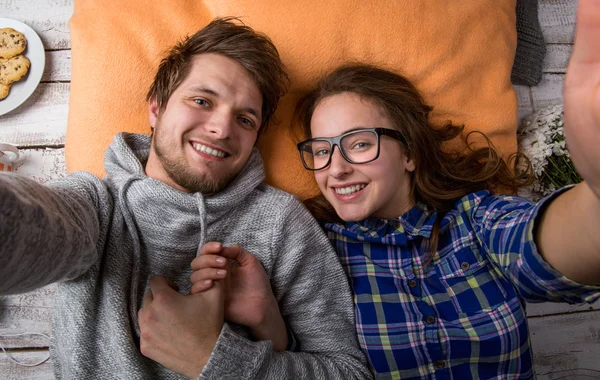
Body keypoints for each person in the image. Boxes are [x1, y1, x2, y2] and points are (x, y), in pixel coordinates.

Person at [191, 1, 600, 378]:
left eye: (360, 144)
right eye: (321, 151)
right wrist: (266, 320)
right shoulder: (313, 249)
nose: (336, 169)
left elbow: (541, 250)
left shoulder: (474, 221)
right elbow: (306, 364)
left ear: (409, 153)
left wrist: (594, 194)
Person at [0, 18, 371, 379]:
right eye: (202, 100)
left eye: (245, 120)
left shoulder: (281, 221)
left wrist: (210, 357)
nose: (221, 128)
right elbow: (27, 228)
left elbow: (350, 372)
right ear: (156, 107)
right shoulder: (96, 205)